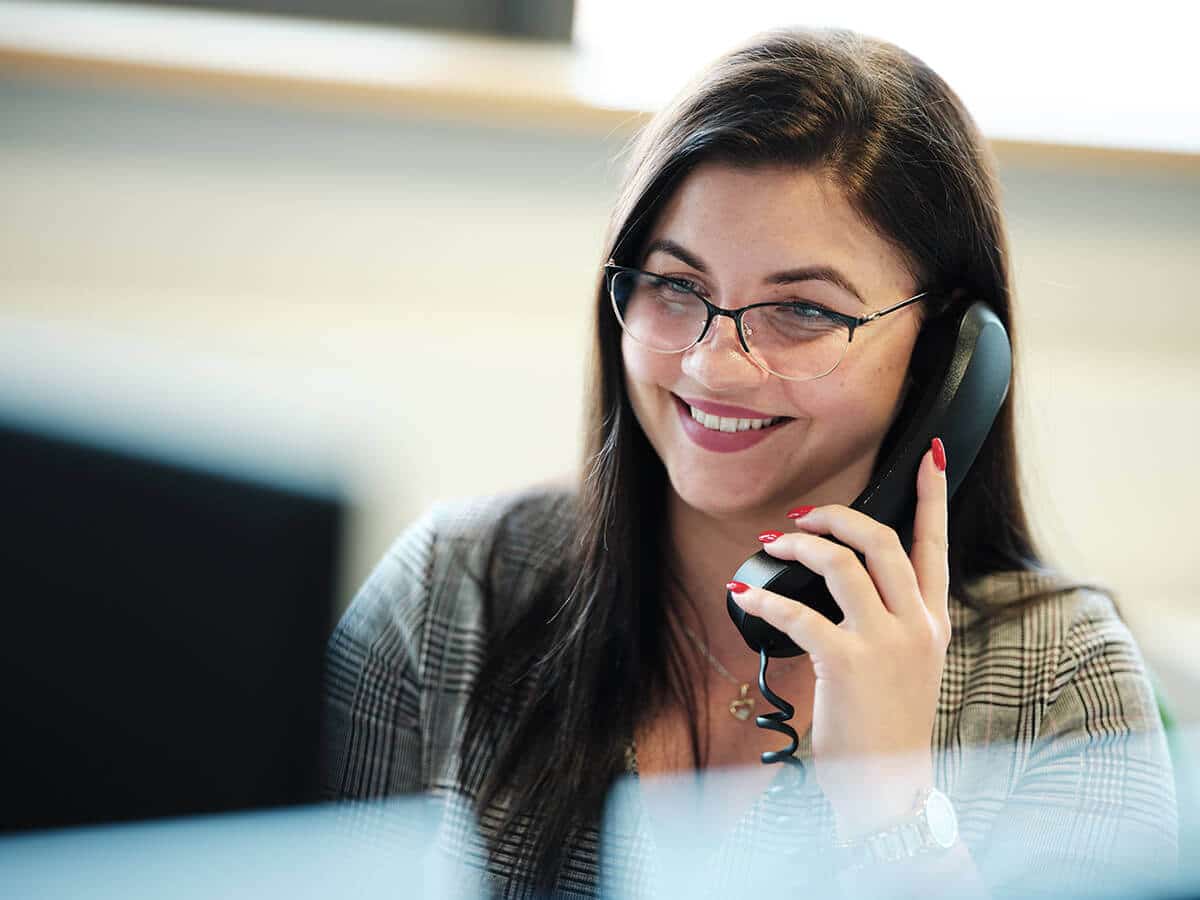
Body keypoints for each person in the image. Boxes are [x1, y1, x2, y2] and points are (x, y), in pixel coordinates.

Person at [319, 26, 1177, 899]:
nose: (712, 366)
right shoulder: (454, 593)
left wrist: (891, 813)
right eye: (676, 286)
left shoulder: (1057, 683)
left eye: (803, 310)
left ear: (947, 359)